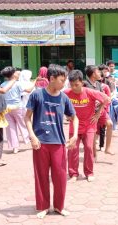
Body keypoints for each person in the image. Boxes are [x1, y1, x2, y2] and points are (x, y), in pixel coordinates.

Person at [24, 64, 78, 219]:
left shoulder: (64, 97)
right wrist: (32, 136)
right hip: (40, 143)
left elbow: (74, 117)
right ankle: (43, 206)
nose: (64, 83)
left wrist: (74, 135)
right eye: (62, 80)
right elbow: (27, 117)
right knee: (41, 176)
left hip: (59, 143)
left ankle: (59, 206)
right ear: (52, 79)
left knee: (60, 177)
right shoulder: (37, 95)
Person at [64, 70, 110, 182]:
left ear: (82, 82)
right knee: (72, 149)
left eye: (77, 84)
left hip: (89, 126)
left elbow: (107, 99)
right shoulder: (66, 93)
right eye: (72, 85)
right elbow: (60, 105)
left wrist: (98, 113)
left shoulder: (90, 92)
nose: (74, 87)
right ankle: (73, 174)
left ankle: (89, 172)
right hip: (74, 128)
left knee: (89, 148)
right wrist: (67, 114)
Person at [0, 67, 34, 154]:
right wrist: (34, 82)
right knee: (23, 124)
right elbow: (29, 90)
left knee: (10, 128)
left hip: (7, 108)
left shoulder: (3, 84)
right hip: (17, 107)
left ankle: (15, 147)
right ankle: (29, 140)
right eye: (15, 73)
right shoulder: (17, 83)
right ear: (12, 74)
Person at [83, 65, 114, 156]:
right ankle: (94, 155)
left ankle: (107, 148)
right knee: (93, 132)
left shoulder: (99, 84)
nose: (100, 73)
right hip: (90, 112)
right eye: (97, 72)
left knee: (110, 124)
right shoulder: (85, 85)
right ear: (93, 74)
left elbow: (104, 99)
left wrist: (99, 111)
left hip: (100, 110)